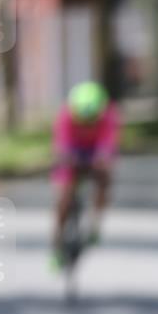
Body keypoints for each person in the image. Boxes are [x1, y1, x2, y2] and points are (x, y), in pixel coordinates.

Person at [51, 81, 120, 269]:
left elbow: (108, 145)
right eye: (82, 120)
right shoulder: (65, 116)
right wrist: (66, 159)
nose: (87, 124)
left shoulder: (109, 116)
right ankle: (56, 244)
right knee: (64, 196)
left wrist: (102, 159)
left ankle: (95, 224)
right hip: (73, 150)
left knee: (104, 177)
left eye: (92, 120)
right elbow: (61, 146)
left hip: (95, 150)